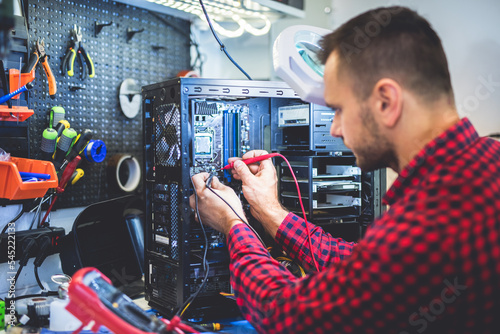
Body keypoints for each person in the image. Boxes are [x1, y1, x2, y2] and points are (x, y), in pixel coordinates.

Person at [190, 6, 500, 334]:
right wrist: (270, 212)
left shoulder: (426, 222)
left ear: (385, 102)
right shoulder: (484, 164)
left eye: (338, 109)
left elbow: (285, 314)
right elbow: (363, 271)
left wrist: (233, 223)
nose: (334, 128)